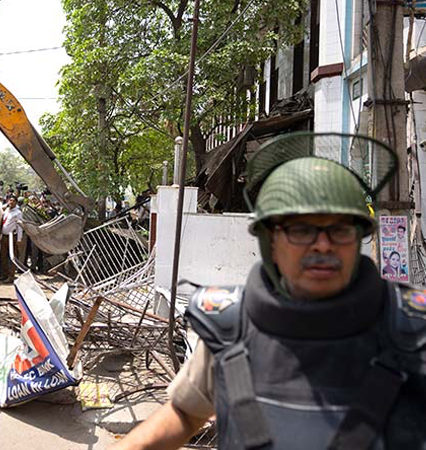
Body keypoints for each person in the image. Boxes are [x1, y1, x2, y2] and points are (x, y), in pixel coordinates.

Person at [114, 133, 426, 449]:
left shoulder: (413, 330)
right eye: (301, 229)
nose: (323, 244)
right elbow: (184, 414)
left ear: (358, 237)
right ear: (270, 242)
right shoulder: (230, 328)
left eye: (340, 229)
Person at [0, 196, 23, 283]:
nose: (11, 202)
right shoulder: (6, 210)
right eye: (10, 200)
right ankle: (3, 275)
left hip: (12, 237)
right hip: (4, 236)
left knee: (12, 257)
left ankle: (11, 276)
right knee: (3, 256)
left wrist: (19, 239)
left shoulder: (18, 213)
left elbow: (20, 226)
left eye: (13, 201)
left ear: (16, 202)